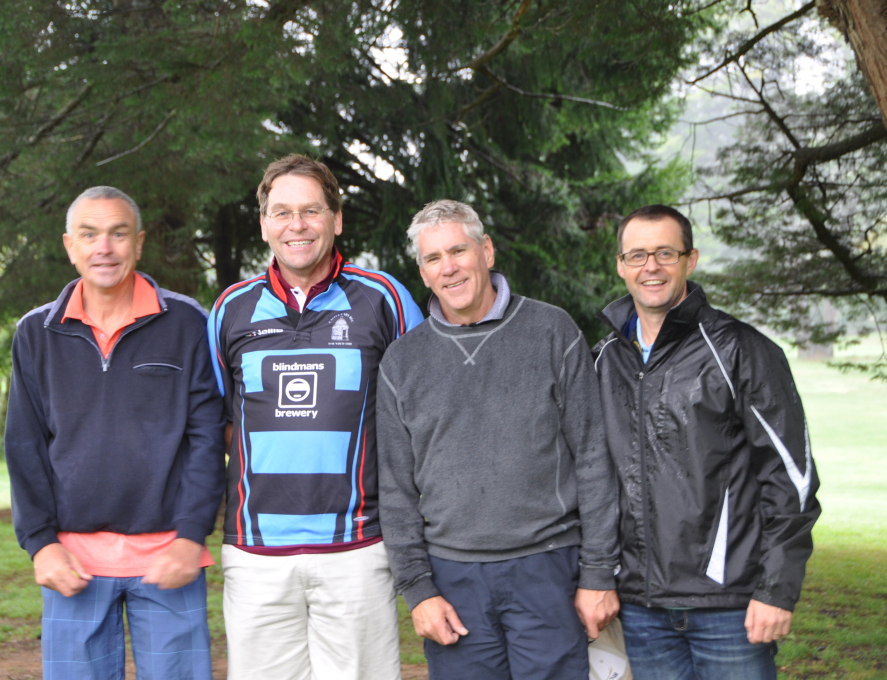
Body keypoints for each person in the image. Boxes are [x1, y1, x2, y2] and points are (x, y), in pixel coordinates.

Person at [376, 199, 621, 680]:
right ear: (423, 273)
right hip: (453, 577)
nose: (448, 267)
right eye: (433, 258)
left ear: (486, 251)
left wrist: (597, 573)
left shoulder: (552, 331)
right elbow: (395, 490)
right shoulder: (402, 362)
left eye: (458, 250)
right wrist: (419, 590)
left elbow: (594, 457)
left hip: (548, 567)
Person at [207, 155, 423, 680]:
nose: (296, 225)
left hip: (358, 549)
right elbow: (219, 422)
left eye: (311, 210)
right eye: (281, 212)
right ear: (264, 225)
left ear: (336, 219)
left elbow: (424, 417)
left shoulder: (385, 299)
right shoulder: (230, 308)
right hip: (257, 554)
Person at [5, 186, 226, 680]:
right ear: (70, 246)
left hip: (169, 556)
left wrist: (191, 535)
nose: (103, 248)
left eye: (118, 234)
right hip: (73, 563)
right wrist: (41, 543)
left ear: (139, 243)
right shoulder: (35, 332)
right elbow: (24, 445)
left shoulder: (187, 322)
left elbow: (207, 438)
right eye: (89, 235)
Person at [593, 204, 821, 680]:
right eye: (637, 255)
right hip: (640, 608)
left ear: (690, 260)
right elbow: (590, 480)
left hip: (729, 607)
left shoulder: (740, 350)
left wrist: (776, 590)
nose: (650, 267)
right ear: (620, 265)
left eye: (665, 253)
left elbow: (791, 478)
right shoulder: (604, 361)